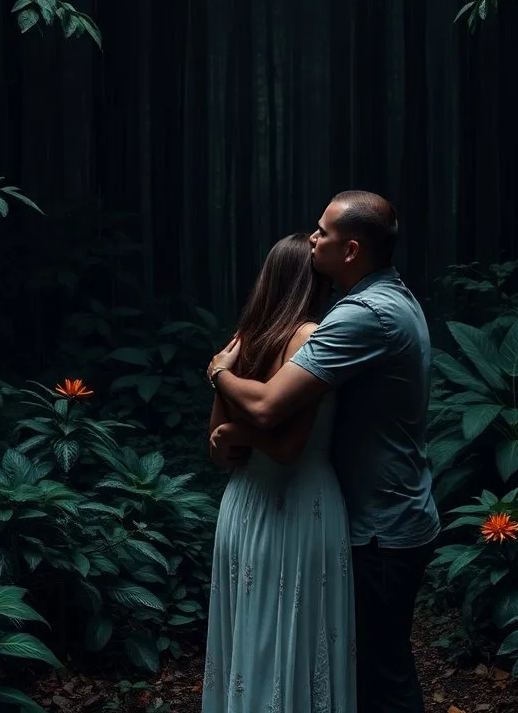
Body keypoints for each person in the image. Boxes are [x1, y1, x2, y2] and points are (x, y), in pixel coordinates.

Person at [207, 191, 440, 713]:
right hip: (389, 511)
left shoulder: (362, 317)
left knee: (380, 679)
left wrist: (218, 371)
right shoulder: (392, 299)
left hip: (381, 523)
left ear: (352, 250)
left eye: (322, 232)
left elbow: (268, 409)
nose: (313, 238)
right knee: (374, 670)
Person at [202, 232, 356, 713]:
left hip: (244, 500)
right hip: (296, 504)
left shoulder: (240, 342)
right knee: (289, 636)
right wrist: (237, 438)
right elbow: (290, 448)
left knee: (253, 638)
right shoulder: (309, 336)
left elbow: (216, 442)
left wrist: (237, 436)